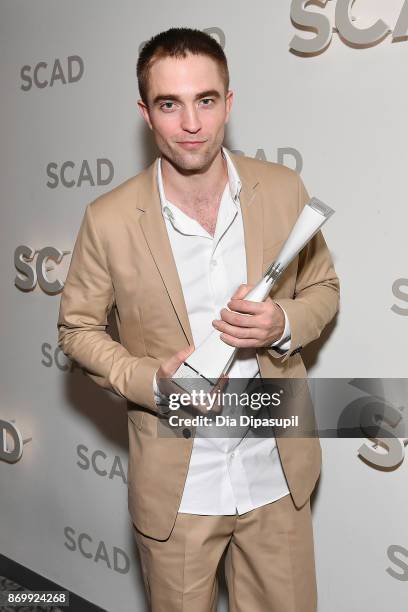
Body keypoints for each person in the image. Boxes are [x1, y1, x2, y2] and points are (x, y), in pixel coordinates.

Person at [57, 27, 340, 612]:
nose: (191, 123)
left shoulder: (284, 190)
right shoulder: (108, 219)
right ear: (146, 114)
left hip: (277, 476)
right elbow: (77, 329)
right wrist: (150, 382)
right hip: (178, 486)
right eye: (170, 104)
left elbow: (324, 288)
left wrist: (282, 321)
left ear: (228, 103)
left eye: (205, 100)